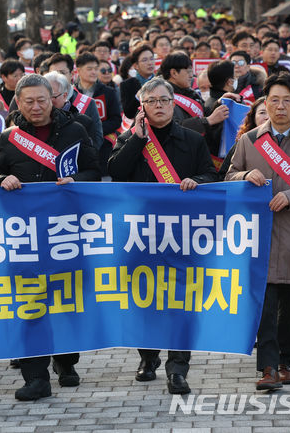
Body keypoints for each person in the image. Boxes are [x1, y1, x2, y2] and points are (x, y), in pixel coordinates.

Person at [0, 74, 100, 401]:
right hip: (24, 237)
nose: (36, 107)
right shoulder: (10, 137)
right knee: (30, 305)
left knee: (65, 302)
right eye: (28, 101)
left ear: (54, 99)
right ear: (18, 103)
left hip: (65, 233)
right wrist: (1, 178)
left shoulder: (75, 130)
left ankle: (66, 362)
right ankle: (35, 377)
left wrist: (75, 179)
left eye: (42, 100)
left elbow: (96, 171)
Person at [108, 77, 218, 395]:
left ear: (174, 103)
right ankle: (148, 358)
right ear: (141, 108)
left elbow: (212, 175)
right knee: (145, 300)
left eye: (164, 100)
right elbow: (115, 173)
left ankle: (178, 369)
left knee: (181, 303)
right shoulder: (130, 138)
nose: (159, 106)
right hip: (140, 235)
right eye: (152, 101)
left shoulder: (193, 139)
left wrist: (195, 180)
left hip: (181, 234)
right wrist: (137, 141)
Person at [226, 73, 290, 391]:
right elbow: (229, 175)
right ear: (265, 103)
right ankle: (267, 367)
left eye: (287, 100)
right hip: (257, 235)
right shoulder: (250, 140)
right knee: (263, 303)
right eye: (274, 100)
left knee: (288, 306)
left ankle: (285, 363)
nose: (280, 106)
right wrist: (244, 175)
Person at [44, 71, 98, 146]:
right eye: (43, 98)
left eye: (53, 97)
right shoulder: (35, 119)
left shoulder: (83, 122)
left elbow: (91, 153)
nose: (48, 101)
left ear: (64, 95)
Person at [120, 44, 155, 118]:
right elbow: (129, 113)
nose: (150, 63)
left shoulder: (162, 81)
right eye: (144, 60)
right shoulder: (127, 85)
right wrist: (137, 96)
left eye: (152, 58)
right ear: (136, 66)